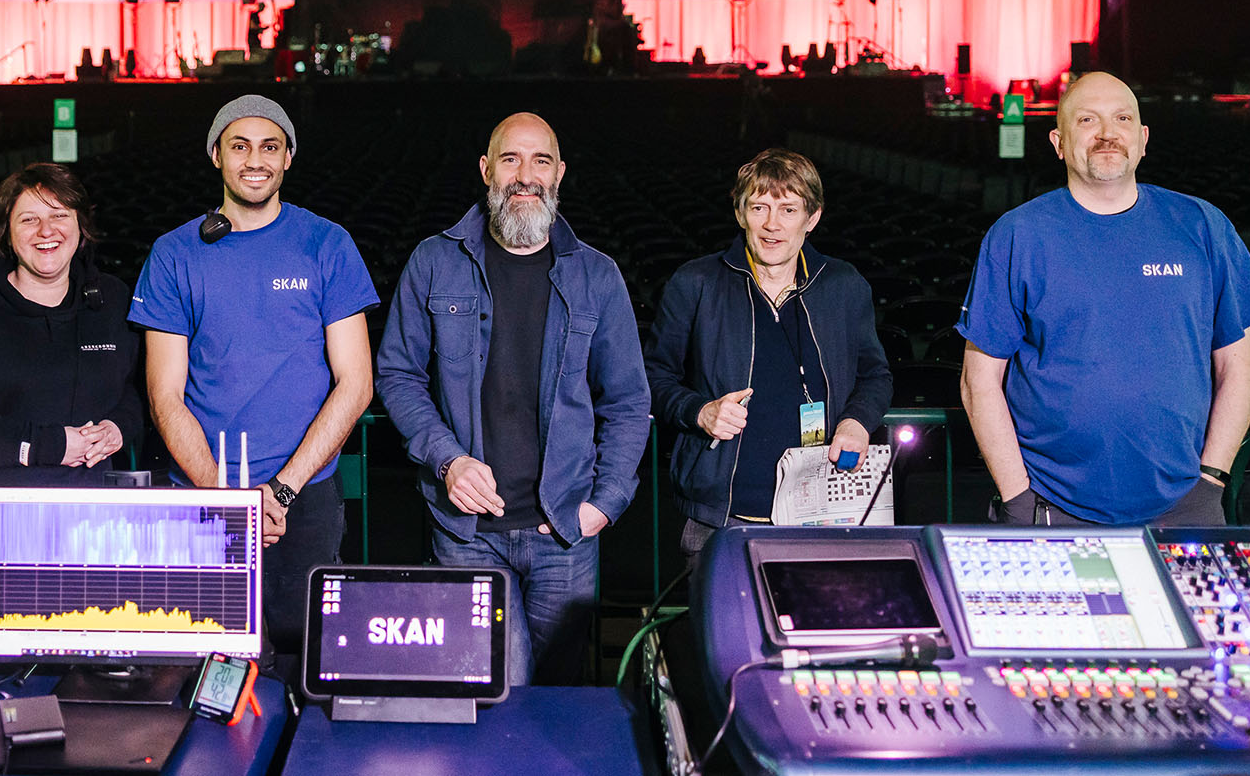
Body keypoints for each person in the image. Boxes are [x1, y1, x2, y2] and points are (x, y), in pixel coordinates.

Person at [375, 113, 649, 685]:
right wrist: (447, 459)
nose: (526, 175)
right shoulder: (434, 261)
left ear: (560, 173)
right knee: (496, 691)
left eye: (540, 161)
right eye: (510, 159)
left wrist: (606, 501)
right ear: (486, 170)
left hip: (566, 532)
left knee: (560, 693)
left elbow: (626, 401)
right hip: (466, 533)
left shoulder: (597, 276)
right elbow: (398, 375)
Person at [957, 71, 1250, 526]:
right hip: (1050, 507)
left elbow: (1238, 366)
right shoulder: (1017, 236)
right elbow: (978, 382)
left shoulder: (1203, 226)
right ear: (1058, 142)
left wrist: (1211, 481)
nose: (1108, 134)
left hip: (1184, 505)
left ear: (1143, 139)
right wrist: (1019, 498)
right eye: (1087, 120)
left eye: (1122, 118)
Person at [129, 95, 377, 664]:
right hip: (203, 498)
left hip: (305, 497)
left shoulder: (326, 244)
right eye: (239, 146)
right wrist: (225, 497)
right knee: (209, 670)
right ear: (216, 154)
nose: (255, 160)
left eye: (270, 146)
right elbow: (164, 396)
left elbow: (356, 383)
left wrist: (282, 489)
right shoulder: (173, 254)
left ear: (288, 157)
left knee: (306, 669)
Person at [0, 163, 143, 704]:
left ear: (82, 226)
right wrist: (51, 445)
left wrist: (117, 428)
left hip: (75, 539)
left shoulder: (111, 302)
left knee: (75, 710)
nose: (46, 230)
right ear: (4, 233)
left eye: (60, 215)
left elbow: (134, 393)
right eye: (29, 218)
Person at [645, 148, 892, 563]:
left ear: (811, 218)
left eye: (788, 209)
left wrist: (857, 421)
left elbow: (876, 375)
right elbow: (653, 377)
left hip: (822, 513)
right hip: (720, 518)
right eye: (759, 207)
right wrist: (699, 411)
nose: (772, 224)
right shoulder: (696, 283)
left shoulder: (844, 286)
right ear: (741, 214)